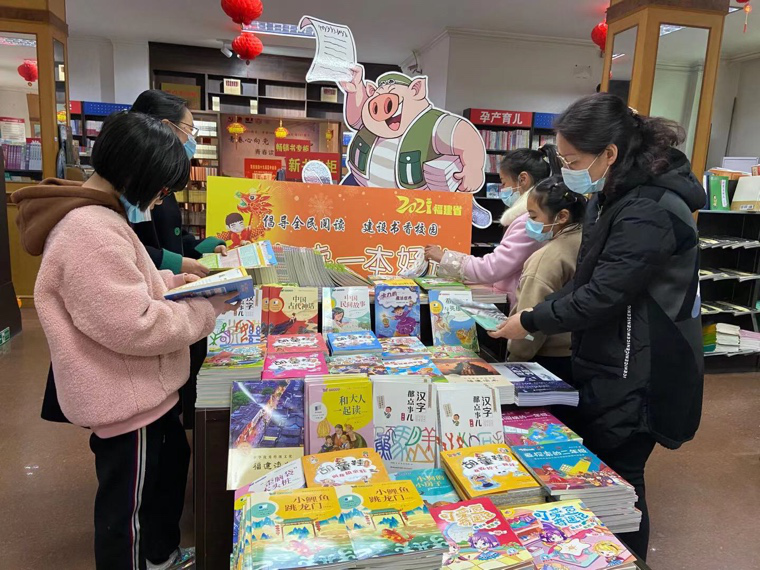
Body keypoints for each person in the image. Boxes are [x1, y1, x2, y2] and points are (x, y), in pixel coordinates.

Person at [11, 111, 236, 570]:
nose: (160, 199)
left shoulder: (100, 219)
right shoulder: (89, 233)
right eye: (161, 189)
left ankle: (159, 558)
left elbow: (130, 288)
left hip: (139, 394)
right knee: (125, 516)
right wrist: (206, 310)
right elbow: (136, 324)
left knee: (148, 495)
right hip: (125, 401)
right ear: (138, 176)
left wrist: (175, 283)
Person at [489, 93, 705, 560]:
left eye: (572, 160)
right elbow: (589, 279)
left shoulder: (648, 209)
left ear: (609, 153)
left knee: (621, 484)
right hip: (615, 358)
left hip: (641, 368)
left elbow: (604, 293)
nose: (566, 169)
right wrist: (537, 312)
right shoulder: (615, 196)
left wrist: (531, 320)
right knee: (606, 478)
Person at [130, 90, 228, 428]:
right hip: (153, 306)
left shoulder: (162, 180)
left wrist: (203, 247)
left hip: (168, 299)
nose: (192, 140)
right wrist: (181, 264)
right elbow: (136, 249)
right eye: (189, 130)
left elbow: (173, 233)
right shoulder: (135, 188)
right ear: (163, 127)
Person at [425, 145, 561, 306]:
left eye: (503, 183)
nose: (502, 189)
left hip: (516, 302)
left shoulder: (528, 220)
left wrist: (445, 257)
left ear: (523, 179)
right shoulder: (529, 217)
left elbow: (493, 268)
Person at [506, 176, 585, 382]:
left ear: (562, 216)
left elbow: (530, 322)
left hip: (547, 358)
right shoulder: (588, 240)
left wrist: (514, 359)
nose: (528, 223)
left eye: (533, 216)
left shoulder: (548, 258)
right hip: (579, 353)